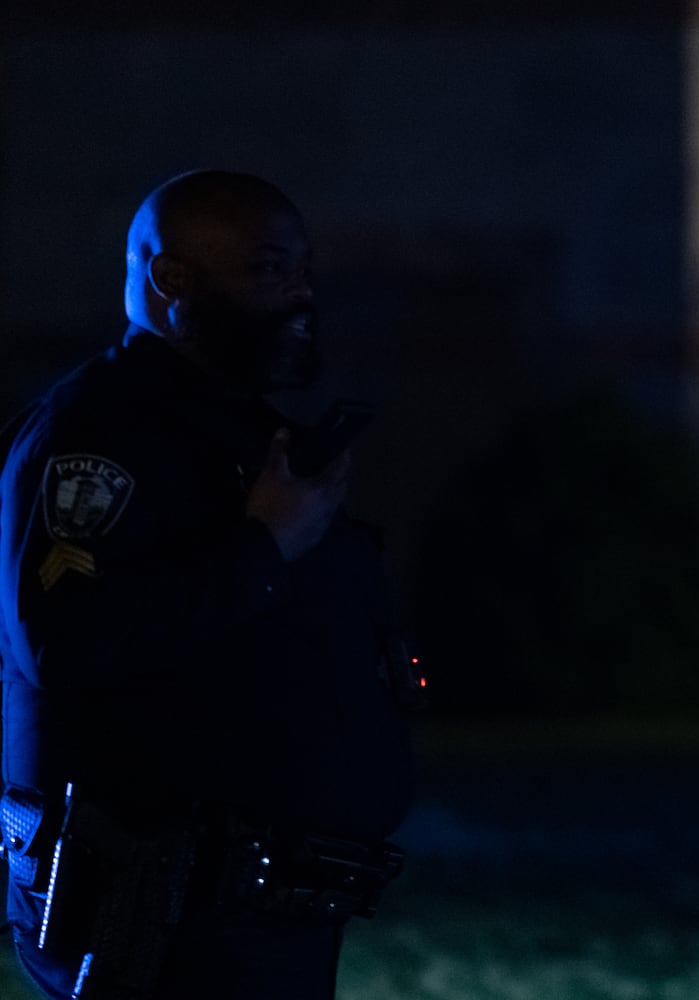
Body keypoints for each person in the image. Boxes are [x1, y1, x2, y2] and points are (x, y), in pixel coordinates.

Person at [0, 171, 416, 999]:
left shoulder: (240, 432)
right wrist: (265, 547)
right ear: (171, 282)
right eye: (268, 269)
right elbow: (63, 640)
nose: (301, 294)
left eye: (304, 270)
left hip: (259, 913)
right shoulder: (101, 432)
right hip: (156, 922)